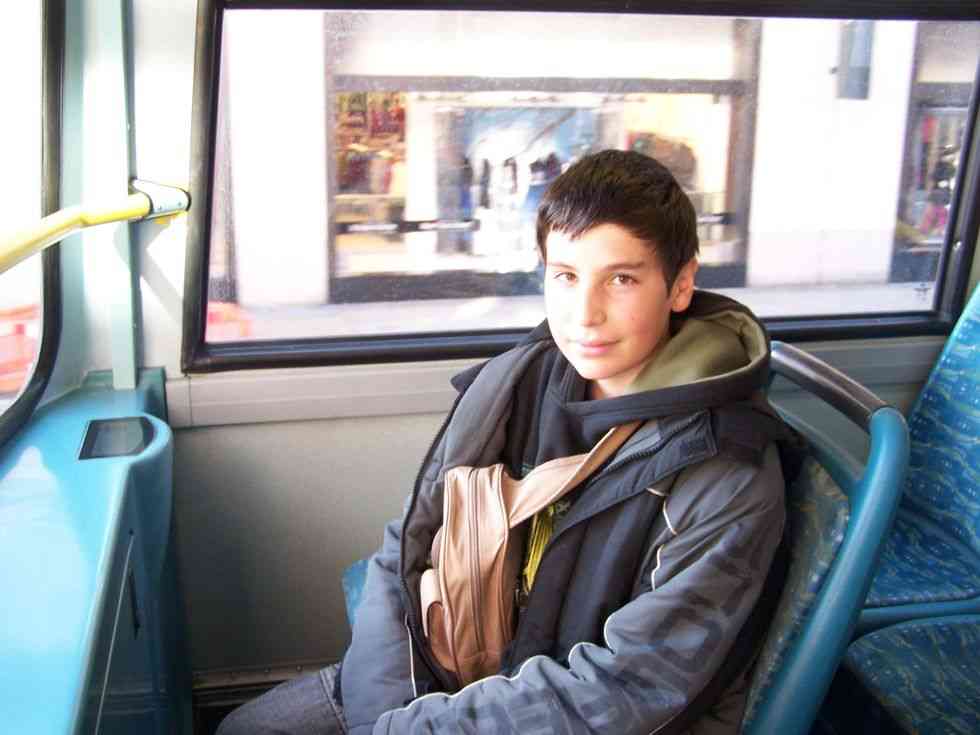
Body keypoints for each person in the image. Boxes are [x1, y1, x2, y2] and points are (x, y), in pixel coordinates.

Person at [218, 149, 791, 735]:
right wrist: (390, 711)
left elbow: (631, 688)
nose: (585, 315)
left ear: (681, 285)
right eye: (565, 276)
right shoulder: (516, 384)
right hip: (457, 665)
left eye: (621, 279)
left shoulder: (724, 471)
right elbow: (408, 544)